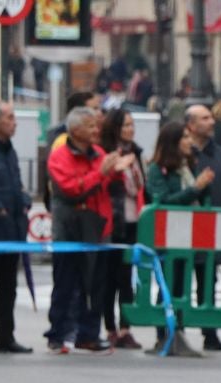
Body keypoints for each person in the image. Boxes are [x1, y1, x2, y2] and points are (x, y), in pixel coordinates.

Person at [45, 106, 132, 355]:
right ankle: (58, 334)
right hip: (70, 229)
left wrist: (117, 172)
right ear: (75, 130)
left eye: (97, 125)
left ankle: (89, 334)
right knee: (66, 282)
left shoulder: (100, 153)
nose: (97, 130)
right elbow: (70, 189)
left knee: (96, 284)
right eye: (91, 126)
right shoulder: (60, 156)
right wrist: (101, 173)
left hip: (98, 227)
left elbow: (107, 184)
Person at [146, 121, 215, 354]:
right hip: (170, 236)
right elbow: (164, 200)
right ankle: (164, 332)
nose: (190, 142)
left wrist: (203, 187)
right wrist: (195, 188)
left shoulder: (189, 165)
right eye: (184, 138)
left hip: (192, 235)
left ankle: (181, 329)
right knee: (169, 284)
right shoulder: (158, 169)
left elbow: (199, 198)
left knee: (187, 285)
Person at [186, 103, 221, 351]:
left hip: (213, 230)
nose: (212, 122)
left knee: (209, 282)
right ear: (191, 125)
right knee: (179, 280)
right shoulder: (182, 153)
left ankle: (210, 331)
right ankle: (176, 330)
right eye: (205, 118)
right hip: (183, 230)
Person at [98, 109, 147, 350]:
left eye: (132, 124)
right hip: (112, 220)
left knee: (127, 276)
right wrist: (115, 168)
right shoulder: (104, 151)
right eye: (126, 125)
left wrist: (133, 168)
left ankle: (126, 327)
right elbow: (101, 182)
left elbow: (140, 186)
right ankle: (110, 327)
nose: (130, 129)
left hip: (132, 219)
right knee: (109, 277)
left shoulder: (135, 152)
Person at [0, 101, 33, 354]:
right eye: (9, 117)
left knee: (8, 286)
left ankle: (5, 336)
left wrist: (25, 201)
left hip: (12, 231)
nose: (14, 122)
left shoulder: (11, 151)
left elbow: (17, 183)